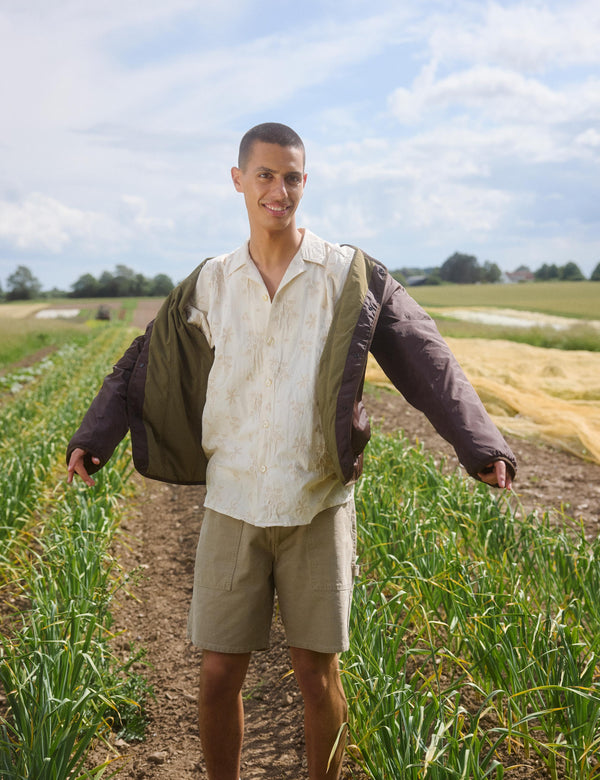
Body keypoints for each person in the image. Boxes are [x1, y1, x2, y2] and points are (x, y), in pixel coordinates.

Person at [67, 122, 516, 780]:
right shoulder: (211, 282)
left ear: (306, 182)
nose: (280, 189)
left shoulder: (348, 274)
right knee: (219, 672)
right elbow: (143, 364)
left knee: (315, 672)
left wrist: (479, 442)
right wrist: (94, 438)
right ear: (239, 181)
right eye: (267, 175)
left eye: (293, 176)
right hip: (235, 499)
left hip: (316, 500)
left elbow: (425, 354)